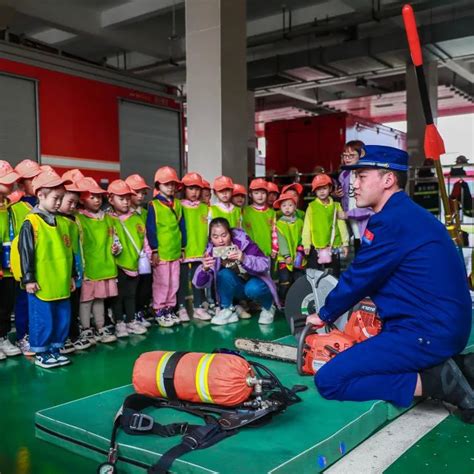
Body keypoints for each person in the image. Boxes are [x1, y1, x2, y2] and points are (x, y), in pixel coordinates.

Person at [307, 145, 474, 423]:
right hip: (443, 326)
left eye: (361, 177)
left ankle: (439, 382)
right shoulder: (408, 214)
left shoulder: (391, 221)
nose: (354, 185)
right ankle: (459, 367)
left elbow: (360, 276)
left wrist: (324, 313)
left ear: (388, 180)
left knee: (330, 380)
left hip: (427, 332)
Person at [18, 169, 75, 368]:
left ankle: (55, 349)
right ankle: (42, 352)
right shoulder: (31, 222)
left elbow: (69, 252)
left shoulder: (62, 222)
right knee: (42, 319)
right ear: (40, 195)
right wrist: (28, 278)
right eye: (55, 198)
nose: (59, 202)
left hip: (60, 281)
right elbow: (26, 252)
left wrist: (71, 276)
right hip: (41, 283)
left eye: (61, 198)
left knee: (61, 318)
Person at [193, 218, 279, 325]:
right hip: (240, 288)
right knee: (222, 274)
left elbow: (265, 264)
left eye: (224, 235)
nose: (220, 241)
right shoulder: (212, 252)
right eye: (215, 237)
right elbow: (199, 284)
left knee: (252, 288)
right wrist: (204, 269)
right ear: (210, 238)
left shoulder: (244, 243)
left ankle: (268, 307)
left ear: (230, 234)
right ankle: (228, 310)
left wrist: (244, 258)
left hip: (256, 284)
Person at [76, 177, 119, 344]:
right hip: (89, 267)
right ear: (82, 199)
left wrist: (117, 247)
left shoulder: (107, 218)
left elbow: (114, 237)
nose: (96, 200)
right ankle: (86, 329)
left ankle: (100, 327)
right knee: (86, 300)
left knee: (100, 298)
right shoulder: (79, 219)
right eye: (92, 197)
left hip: (105, 266)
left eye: (99, 197)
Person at [146, 166, 186, 327]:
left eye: (172, 184)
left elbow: (182, 227)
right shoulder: (153, 205)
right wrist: (154, 250)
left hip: (175, 251)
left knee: (174, 281)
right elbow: (151, 229)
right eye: (166, 184)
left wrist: (183, 247)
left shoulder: (178, 204)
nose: (170, 187)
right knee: (162, 282)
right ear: (158, 186)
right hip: (161, 252)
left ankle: (169, 308)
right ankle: (159, 309)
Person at [108, 179, 148, 337]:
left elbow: (144, 238)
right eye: (121, 199)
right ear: (111, 199)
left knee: (132, 294)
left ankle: (131, 321)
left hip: (134, 263)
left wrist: (148, 254)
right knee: (118, 296)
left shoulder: (136, 218)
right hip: (118, 264)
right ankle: (119, 323)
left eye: (127, 198)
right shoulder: (108, 219)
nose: (125, 202)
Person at [57, 176, 91, 353]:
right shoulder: (56, 221)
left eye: (75, 203)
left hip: (76, 270)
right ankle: (62, 338)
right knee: (63, 306)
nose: (73, 206)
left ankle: (74, 334)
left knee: (74, 305)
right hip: (63, 272)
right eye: (69, 202)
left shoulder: (75, 219)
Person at [12, 159, 42, 356]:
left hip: (43, 263)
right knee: (23, 302)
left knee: (41, 302)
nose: (37, 181)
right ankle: (24, 336)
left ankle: (39, 335)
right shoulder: (16, 208)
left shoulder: (45, 204)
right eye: (32, 179)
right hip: (24, 266)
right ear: (21, 184)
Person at [176, 172, 212, 322]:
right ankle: (181, 307)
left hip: (200, 250)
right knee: (182, 281)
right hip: (183, 251)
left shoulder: (205, 208)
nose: (194, 192)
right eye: (191, 188)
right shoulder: (179, 206)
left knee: (198, 281)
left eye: (197, 188)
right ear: (184, 189)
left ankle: (198, 307)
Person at [302, 174, 349, 277]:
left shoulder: (336, 206)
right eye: (318, 189)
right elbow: (307, 227)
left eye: (324, 188)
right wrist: (306, 243)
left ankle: (333, 293)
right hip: (316, 247)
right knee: (315, 275)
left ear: (330, 188)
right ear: (314, 191)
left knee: (333, 275)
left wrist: (345, 243)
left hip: (333, 246)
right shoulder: (312, 207)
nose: (322, 191)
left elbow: (342, 225)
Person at [0, 161, 22, 359]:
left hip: (7, 267)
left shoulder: (8, 207)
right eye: (7, 181)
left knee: (6, 305)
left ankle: (3, 337)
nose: (12, 185)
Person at [125, 173, 153, 324]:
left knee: (145, 285)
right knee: (130, 289)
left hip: (144, 258)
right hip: (129, 258)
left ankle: (140, 310)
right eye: (137, 192)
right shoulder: (120, 215)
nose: (141, 196)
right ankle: (130, 314)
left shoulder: (146, 213)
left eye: (143, 193)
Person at [338, 141, 374, 252]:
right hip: (350, 217)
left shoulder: (368, 175)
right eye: (345, 155)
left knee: (366, 245)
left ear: (361, 155)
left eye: (351, 155)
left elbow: (369, 208)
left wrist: (347, 214)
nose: (347, 158)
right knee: (357, 242)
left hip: (364, 218)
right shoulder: (343, 174)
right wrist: (337, 194)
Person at [273, 192, 306, 303]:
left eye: (290, 205)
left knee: (298, 279)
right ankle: (283, 300)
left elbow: (303, 236)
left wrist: (301, 248)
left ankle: (297, 301)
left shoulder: (300, 222)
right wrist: (286, 255)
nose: (287, 208)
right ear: (280, 208)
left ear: (295, 207)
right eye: (284, 205)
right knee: (285, 281)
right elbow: (281, 241)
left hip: (298, 257)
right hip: (284, 258)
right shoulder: (279, 224)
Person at [242, 178, 275, 258]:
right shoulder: (244, 211)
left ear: (267, 194)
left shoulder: (272, 213)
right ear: (250, 194)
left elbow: (275, 232)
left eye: (263, 193)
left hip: (268, 252)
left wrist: (274, 249)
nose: (260, 196)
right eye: (256, 193)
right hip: (249, 252)